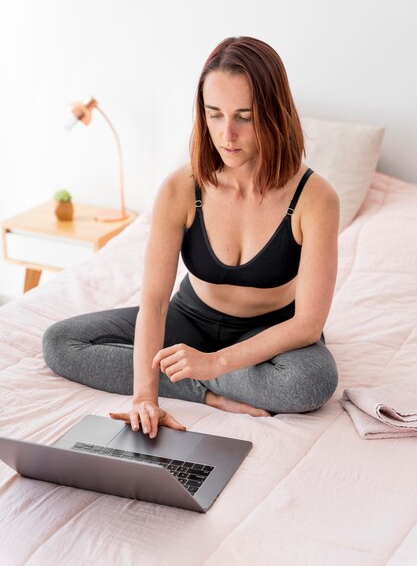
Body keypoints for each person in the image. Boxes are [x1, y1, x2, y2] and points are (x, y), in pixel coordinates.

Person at [43, 36, 339, 440]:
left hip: (271, 330)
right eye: (214, 115)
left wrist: (215, 364)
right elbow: (153, 302)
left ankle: (205, 376)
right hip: (191, 318)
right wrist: (146, 397)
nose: (227, 135)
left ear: (274, 115)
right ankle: (203, 392)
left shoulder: (315, 198)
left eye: (244, 117)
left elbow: (307, 325)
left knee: (311, 382)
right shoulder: (181, 188)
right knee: (61, 342)